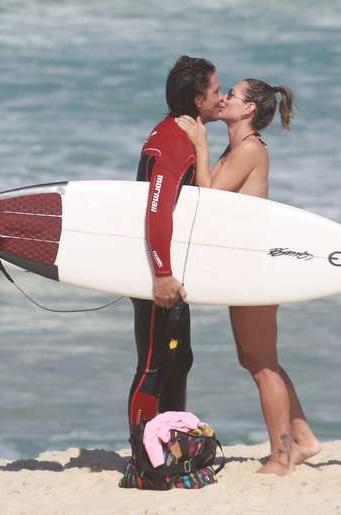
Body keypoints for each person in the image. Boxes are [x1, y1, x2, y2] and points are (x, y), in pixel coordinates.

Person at [175, 79, 320, 475]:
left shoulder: (250, 150)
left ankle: (281, 455)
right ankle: (304, 439)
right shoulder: (238, 148)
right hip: (245, 267)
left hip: (255, 269)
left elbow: (209, 198)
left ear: (249, 109)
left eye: (232, 96)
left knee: (262, 365)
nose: (223, 99)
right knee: (256, 359)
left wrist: (199, 143)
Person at [128, 56, 224, 428]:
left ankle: (170, 441)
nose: (222, 96)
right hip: (158, 273)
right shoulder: (172, 142)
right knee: (154, 364)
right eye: (216, 90)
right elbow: (156, 210)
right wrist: (163, 274)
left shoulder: (183, 135)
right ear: (198, 101)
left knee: (179, 358)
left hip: (168, 270)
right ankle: (144, 455)